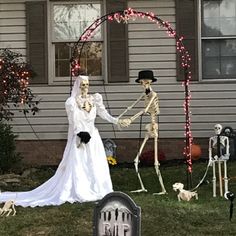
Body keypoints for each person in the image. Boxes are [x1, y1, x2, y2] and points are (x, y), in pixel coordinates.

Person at [0, 75, 125, 207]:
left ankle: (98, 189)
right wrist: (79, 132)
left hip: (93, 138)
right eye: (82, 84)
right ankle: (80, 189)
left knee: (95, 164)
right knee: (79, 165)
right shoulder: (72, 102)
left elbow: (104, 114)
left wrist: (117, 121)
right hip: (80, 139)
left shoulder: (95, 99)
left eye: (87, 84)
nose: (85, 87)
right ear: (78, 86)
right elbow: (73, 121)